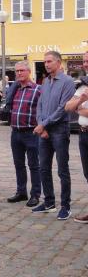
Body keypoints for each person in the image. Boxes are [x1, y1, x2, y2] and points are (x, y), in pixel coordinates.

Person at [32, 51, 75, 220]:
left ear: (58, 62)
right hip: (45, 131)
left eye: (49, 61)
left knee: (62, 169)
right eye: (44, 62)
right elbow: (40, 105)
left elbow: (63, 109)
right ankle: (49, 202)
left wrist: (44, 124)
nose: (46, 64)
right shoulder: (45, 81)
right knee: (44, 168)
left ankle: (66, 205)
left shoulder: (67, 81)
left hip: (59, 131)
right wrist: (41, 125)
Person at [6, 61, 41, 207]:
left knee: (34, 165)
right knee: (18, 164)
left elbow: (43, 111)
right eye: (17, 71)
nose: (19, 73)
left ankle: (35, 194)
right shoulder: (16, 89)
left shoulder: (38, 89)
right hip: (16, 132)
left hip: (31, 132)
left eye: (22, 70)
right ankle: (21, 192)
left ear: (29, 72)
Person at [65, 51, 88, 223]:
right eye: (84, 61)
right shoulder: (83, 85)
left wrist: (80, 108)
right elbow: (68, 107)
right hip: (83, 133)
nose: (85, 64)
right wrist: (80, 102)